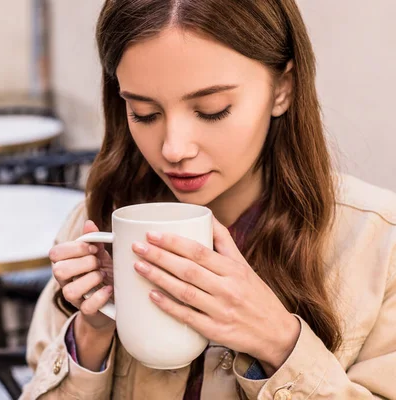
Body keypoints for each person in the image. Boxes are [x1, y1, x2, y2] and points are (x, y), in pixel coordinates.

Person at [21, 1, 396, 398]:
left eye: (212, 110)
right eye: (144, 113)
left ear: (282, 89)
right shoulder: (97, 222)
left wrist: (279, 343)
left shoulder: (379, 245)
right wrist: (91, 333)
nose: (173, 148)